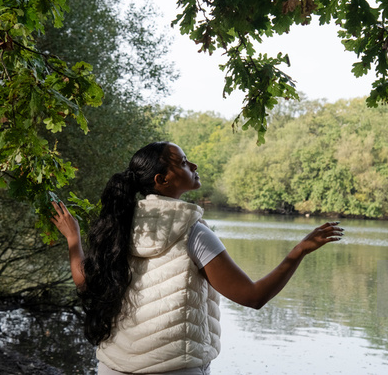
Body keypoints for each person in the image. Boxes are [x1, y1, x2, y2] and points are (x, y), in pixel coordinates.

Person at [50, 141, 344, 375]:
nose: (193, 165)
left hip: (113, 366)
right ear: (162, 179)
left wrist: (73, 239)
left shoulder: (120, 225)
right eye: (182, 162)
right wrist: (298, 251)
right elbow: (253, 296)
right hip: (174, 368)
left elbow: (84, 282)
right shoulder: (194, 234)